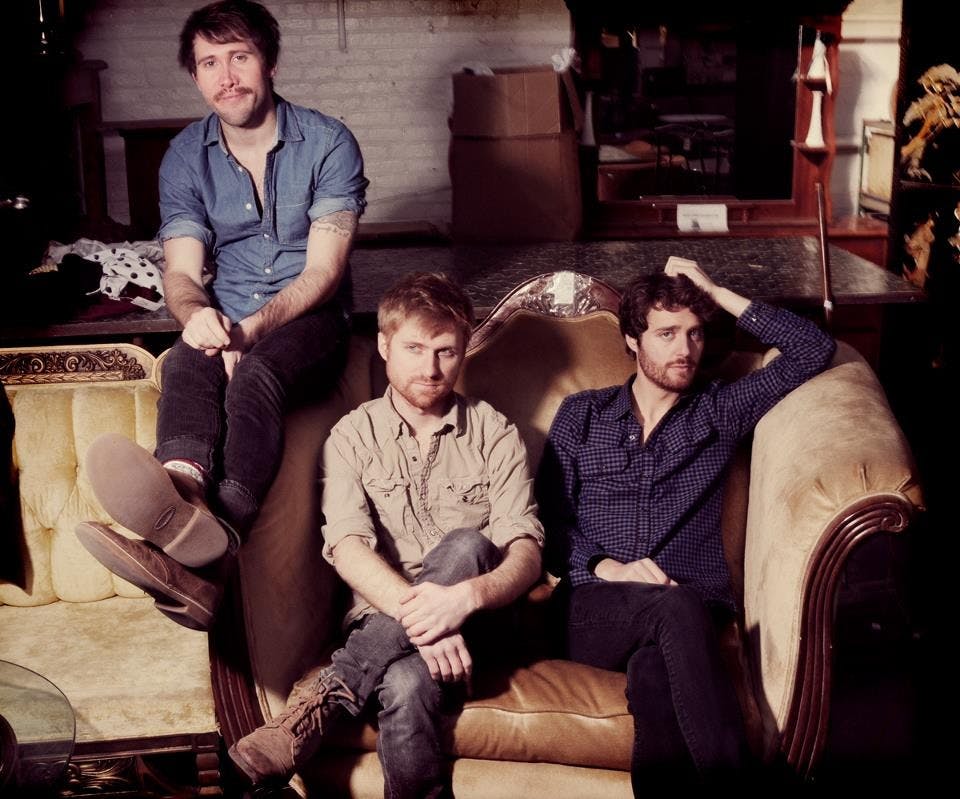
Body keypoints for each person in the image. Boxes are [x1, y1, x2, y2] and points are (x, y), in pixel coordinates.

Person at [74, 0, 368, 630]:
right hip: (228, 310)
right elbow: (181, 274)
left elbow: (323, 272)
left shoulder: (328, 142)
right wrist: (196, 316)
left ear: (270, 62)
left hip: (311, 320)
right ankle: (181, 494)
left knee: (256, 374)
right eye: (209, 63)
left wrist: (251, 332)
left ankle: (204, 555)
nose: (226, 77)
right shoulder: (185, 155)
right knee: (185, 359)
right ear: (195, 75)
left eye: (240, 57)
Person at [228, 272, 544, 797]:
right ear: (384, 346)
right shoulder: (352, 436)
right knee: (404, 681)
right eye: (414, 348)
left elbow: (527, 551)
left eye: (446, 351)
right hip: (383, 622)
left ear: (463, 351)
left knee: (467, 545)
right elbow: (347, 547)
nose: (431, 368)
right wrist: (426, 621)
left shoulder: (494, 431)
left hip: (481, 624)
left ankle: (324, 699)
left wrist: (464, 598)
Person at [536, 257, 836, 789]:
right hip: (592, 610)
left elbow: (812, 348)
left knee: (655, 678)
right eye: (667, 333)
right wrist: (607, 567)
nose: (685, 349)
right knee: (673, 606)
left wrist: (717, 292)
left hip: (687, 615)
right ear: (632, 340)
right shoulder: (581, 414)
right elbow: (547, 522)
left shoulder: (718, 411)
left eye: (695, 333)